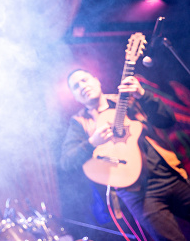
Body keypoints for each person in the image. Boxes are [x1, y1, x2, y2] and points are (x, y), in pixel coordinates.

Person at [60, 69, 190, 241]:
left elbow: (167, 120)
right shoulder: (79, 123)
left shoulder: (126, 100)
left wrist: (143, 95)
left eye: (85, 80)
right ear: (76, 97)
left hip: (169, 176)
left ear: (97, 80)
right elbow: (66, 162)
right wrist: (92, 142)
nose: (82, 86)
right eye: (76, 86)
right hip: (137, 193)